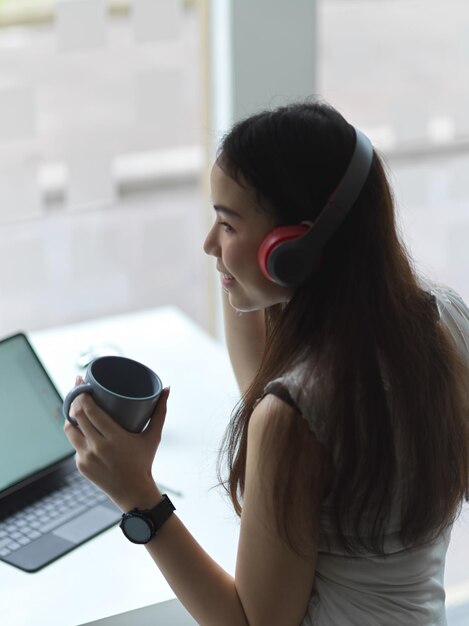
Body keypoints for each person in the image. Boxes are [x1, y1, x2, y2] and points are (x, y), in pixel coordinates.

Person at [64, 99, 469, 626]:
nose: (209, 244)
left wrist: (136, 494)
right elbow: (275, 384)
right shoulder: (446, 324)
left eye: (228, 226)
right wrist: (241, 277)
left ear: (292, 249)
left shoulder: (295, 418)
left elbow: (252, 623)